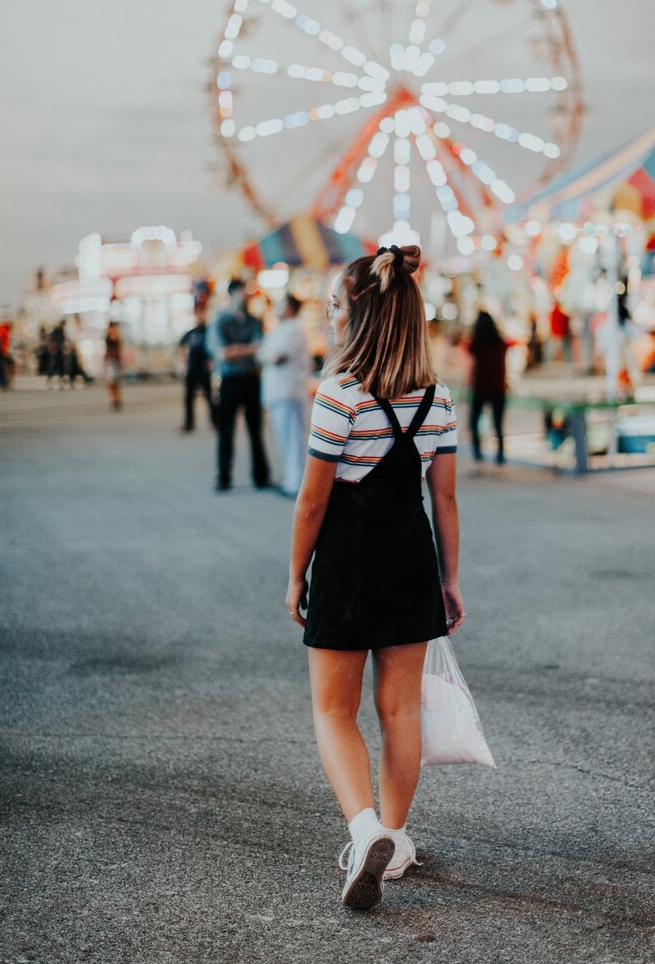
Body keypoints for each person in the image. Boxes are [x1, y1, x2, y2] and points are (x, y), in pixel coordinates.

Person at [285, 244, 463, 911]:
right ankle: (396, 836)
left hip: (348, 561)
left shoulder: (339, 396)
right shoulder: (437, 399)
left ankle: (364, 833)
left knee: (334, 709)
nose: (329, 317)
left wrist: (295, 574)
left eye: (335, 306)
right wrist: (451, 579)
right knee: (401, 708)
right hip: (412, 557)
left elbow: (312, 501)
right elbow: (444, 498)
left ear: (357, 316)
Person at [208, 278, 270, 492]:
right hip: (230, 381)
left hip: (251, 379)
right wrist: (248, 349)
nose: (246, 296)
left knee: (256, 429)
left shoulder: (254, 321)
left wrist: (237, 350)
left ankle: (261, 476)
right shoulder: (220, 321)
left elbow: (261, 348)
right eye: (243, 292)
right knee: (226, 430)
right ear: (233, 293)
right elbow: (222, 353)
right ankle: (223, 476)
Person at [257, 293, 311, 497]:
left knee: (292, 438)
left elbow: (274, 355)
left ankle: (295, 482)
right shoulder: (283, 329)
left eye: (281, 304)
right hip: (281, 392)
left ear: (289, 308)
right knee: (285, 438)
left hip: (288, 391)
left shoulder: (293, 330)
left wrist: (264, 353)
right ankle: (292, 479)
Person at [465, 310, 508, 464]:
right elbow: (503, 365)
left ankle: (477, 452)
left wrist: (468, 384)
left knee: (474, 420)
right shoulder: (500, 343)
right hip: (498, 388)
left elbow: (471, 367)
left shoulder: (475, 345)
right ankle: (500, 454)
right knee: (498, 423)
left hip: (480, 387)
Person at [179, 308, 215, 432]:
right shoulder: (191, 333)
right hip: (192, 369)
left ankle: (215, 421)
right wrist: (184, 360)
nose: (201, 317)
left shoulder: (210, 332)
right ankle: (189, 423)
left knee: (210, 397)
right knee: (189, 397)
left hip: (205, 369)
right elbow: (181, 347)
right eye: (199, 314)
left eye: (203, 314)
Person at [104, 321, 123, 410]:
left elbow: (117, 342)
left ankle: (117, 398)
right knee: (110, 381)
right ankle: (115, 398)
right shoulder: (108, 335)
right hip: (110, 360)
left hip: (114, 360)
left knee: (114, 381)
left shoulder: (116, 335)